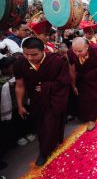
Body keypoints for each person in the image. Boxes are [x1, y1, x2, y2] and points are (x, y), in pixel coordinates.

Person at [13, 37, 71, 166]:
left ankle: (44, 152)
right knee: (41, 126)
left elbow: (64, 82)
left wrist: (46, 87)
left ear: (43, 50)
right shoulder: (20, 64)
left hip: (54, 98)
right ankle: (48, 143)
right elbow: (20, 85)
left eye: (34, 54)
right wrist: (20, 105)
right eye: (26, 54)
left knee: (49, 125)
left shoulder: (56, 61)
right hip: (36, 100)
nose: (30, 58)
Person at [67, 37, 97, 131]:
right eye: (75, 50)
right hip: (80, 78)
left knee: (93, 99)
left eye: (80, 51)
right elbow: (72, 69)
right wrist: (73, 85)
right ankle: (83, 116)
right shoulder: (70, 53)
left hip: (95, 79)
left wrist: (91, 75)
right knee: (81, 98)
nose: (77, 54)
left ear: (87, 47)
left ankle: (92, 119)